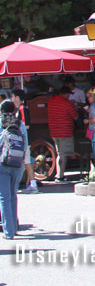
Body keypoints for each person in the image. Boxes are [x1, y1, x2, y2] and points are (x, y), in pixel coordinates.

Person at [0, 100, 24, 239]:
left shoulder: (1, 123)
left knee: (4, 198)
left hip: (3, 164)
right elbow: (25, 143)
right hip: (18, 163)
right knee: (13, 196)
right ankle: (14, 227)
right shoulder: (19, 123)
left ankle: (8, 231)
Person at [46, 87, 78, 182]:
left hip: (54, 131)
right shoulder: (66, 104)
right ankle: (60, 175)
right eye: (68, 94)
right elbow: (75, 116)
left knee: (59, 153)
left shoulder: (51, 101)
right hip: (65, 132)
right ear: (64, 94)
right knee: (63, 154)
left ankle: (58, 174)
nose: (68, 96)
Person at [9, 90, 37, 193]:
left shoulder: (22, 109)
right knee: (27, 162)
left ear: (17, 98)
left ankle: (30, 184)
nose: (11, 98)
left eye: (13, 96)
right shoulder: (17, 109)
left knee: (25, 162)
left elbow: (26, 125)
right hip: (21, 141)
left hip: (22, 141)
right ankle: (32, 184)